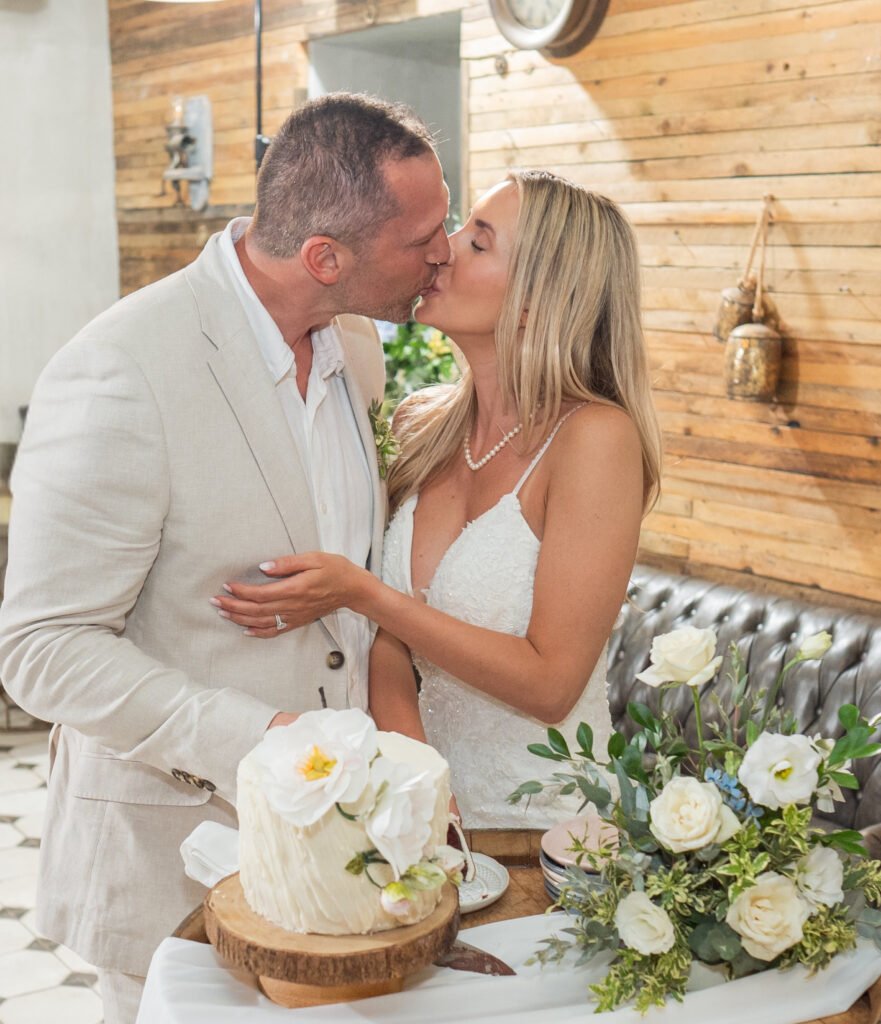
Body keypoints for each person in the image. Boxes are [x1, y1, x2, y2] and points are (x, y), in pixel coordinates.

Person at [0, 93, 449, 1024]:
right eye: (424, 237)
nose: (441, 254)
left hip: (344, 879)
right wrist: (263, 738)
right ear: (325, 256)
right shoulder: (122, 367)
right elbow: (40, 647)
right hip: (177, 864)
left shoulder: (355, 345)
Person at [211, 171, 662, 828]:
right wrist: (416, 775)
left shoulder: (595, 439)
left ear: (537, 298)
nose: (442, 249)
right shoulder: (420, 425)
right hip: (418, 815)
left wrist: (359, 592)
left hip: (543, 824)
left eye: (476, 242)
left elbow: (548, 684)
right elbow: (388, 644)